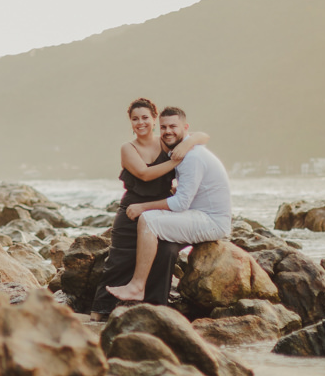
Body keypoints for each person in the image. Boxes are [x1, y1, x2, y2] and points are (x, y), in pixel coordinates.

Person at [88, 99, 208, 321]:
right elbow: (144, 174)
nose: (140, 122)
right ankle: (100, 312)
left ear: (154, 119)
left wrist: (186, 145)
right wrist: (176, 160)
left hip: (162, 210)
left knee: (167, 252)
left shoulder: (166, 142)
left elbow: (203, 136)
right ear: (131, 123)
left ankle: (154, 307)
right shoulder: (128, 148)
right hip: (133, 211)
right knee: (120, 261)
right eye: (135, 119)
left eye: (145, 117)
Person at [103, 106, 232, 304]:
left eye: (173, 126)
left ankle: (137, 286)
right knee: (163, 247)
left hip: (210, 221)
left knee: (149, 220)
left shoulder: (192, 157)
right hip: (198, 215)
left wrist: (143, 207)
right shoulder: (180, 152)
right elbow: (177, 190)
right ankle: (153, 302)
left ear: (185, 127)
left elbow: (181, 203)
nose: (168, 131)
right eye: (164, 127)